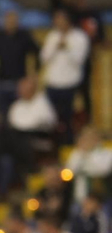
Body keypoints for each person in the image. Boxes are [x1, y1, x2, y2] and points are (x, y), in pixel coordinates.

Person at [41, 7, 91, 142]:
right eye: (56, 19)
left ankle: (69, 145)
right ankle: (55, 147)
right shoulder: (52, 36)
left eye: (60, 19)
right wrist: (56, 46)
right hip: (53, 84)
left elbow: (79, 60)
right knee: (52, 120)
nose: (57, 22)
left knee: (70, 120)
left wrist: (67, 46)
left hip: (70, 84)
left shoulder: (80, 37)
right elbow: (44, 58)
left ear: (68, 21)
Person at [0, 10, 39, 113]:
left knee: (19, 112)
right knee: (1, 112)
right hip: (2, 82)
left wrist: (36, 70)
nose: (11, 23)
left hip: (19, 82)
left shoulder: (24, 36)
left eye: (14, 20)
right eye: (9, 20)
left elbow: (36, 51)